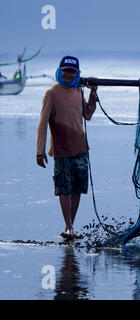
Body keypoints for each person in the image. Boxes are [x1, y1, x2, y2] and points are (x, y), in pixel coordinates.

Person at [36, 56, 98, 240]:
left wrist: (93, 94)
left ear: (77, 73)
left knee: (78, 188)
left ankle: (71, 226)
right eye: (66, 71)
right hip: (62, 149)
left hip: (81, 148)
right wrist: (40, 151)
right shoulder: (51, 93)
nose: (69, 75)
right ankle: (68, 226)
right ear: (60, 71)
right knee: (64, 188)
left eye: (72, 72)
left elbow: (87, 115)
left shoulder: (78, 91)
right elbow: (42, 123)